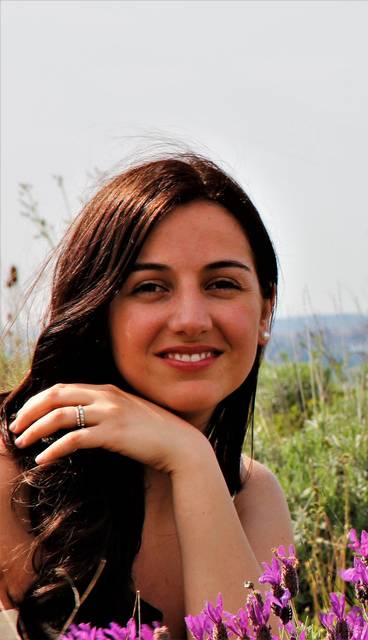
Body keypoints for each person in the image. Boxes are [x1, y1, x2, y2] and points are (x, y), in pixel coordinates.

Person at [0, 154, 295, 639]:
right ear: (98, 311)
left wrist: (191, 460)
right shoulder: (13, 477)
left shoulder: (252, 497)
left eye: (222, 284)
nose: (191, 319)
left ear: (266, 311)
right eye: (151, 287)